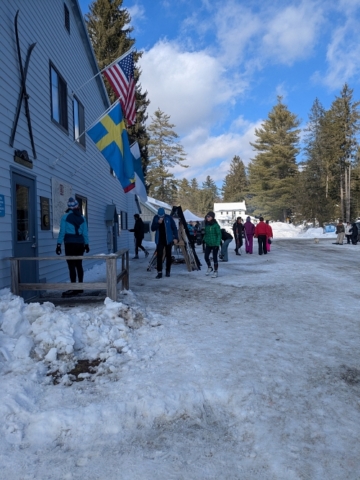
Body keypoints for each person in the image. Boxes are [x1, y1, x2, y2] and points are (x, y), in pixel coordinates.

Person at [56, 197, 89, 297]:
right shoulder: (82, 218)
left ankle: (74, 287)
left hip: (70, 243)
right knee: (79, 264)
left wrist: (58, 244)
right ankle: (80, 287)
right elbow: (85, 233)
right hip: (80, 244)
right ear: (76, 207)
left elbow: (62, 232)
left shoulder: (65, 217)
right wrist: (87, 244)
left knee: (71, 266)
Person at [151, 207, 178, 279]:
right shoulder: (155, 218)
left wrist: (175, 237)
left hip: (168, 240)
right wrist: (158, 223)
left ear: (164, 214)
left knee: (168, 256)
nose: (161, 217)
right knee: (159, 256)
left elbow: (174, 228)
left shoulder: (169, 218)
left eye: (162, 216)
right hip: (159, 240)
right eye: (159, 216)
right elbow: (152, 228)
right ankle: (159, 272)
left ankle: (168, 271)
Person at [203, 211, 221, 277]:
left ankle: (215, 271)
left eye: (209, 216)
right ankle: (210, 267)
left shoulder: (216, 225)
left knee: (214, 257)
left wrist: (217, 243)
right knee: (206, 257)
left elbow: (219, 234)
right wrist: (204, 239)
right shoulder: (206, 225)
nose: (207, 218)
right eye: (207, 216)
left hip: (215, 243)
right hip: (208, 243)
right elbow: (206, 234)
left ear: (212, 217)